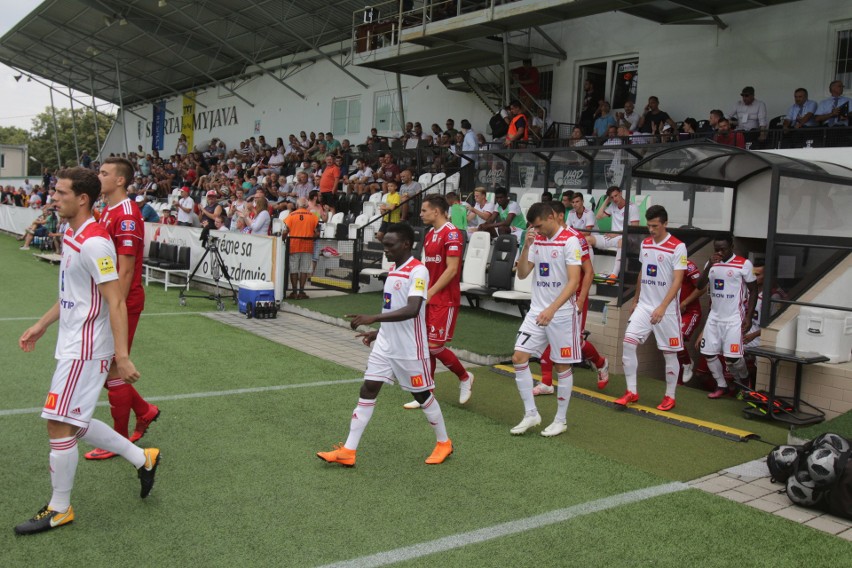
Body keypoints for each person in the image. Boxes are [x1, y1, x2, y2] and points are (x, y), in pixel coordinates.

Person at [14, 167, 160, 536]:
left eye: (62, 193)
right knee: (73, 422)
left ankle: (60, 508)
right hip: (71, 342)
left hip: (87, 348)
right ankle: (142, 457)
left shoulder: (96, 241)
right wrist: (43, 323)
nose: (55, 197)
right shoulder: (72, 232)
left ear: (82, 199)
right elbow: (72, 295)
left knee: (57, 421)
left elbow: (114, 301)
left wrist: (122, 355)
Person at [317, 223, 453, 466]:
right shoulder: (394, 270)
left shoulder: (418, 271)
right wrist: (379, 332)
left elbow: (413, 309)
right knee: (368, 388)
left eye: (390, 246)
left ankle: (444, 443)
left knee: (421, 395)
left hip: (410, 348)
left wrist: (374, 318)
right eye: (384, 245)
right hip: (386, 345)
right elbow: (393, 308)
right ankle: (348, 451)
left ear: (406, 244)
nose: (386, 250)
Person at [85, 157, 160, 461]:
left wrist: (113, 306)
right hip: (110, 301)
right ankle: (144, 410)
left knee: (113, 369)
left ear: (119, 180)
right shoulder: (107, 211)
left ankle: (116, 441)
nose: (98, 176)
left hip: (122, 302)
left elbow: (126, 272)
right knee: (107, 370)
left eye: (103, 173)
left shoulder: (127, 214)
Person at [509, 202, 583, 436]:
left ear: (552, 216)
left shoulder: (571, 240)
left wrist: (552, 309)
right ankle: (531, 414)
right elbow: (522, 273)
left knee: (562, 366)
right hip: (536, 311)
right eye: (534, 227)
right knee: (519, 357)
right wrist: (525, 246)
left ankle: (560, 420)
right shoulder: (536, 239)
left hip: (560, 314)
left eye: (539, 226)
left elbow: (574, 282)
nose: (537, 230)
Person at [401, 195, 473, 410]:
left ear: (437, 211)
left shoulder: (452, 233)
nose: (421, 214)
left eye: (424, 210)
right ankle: (426, 395)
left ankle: (464, 376)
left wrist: (431, 291)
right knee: (425, 347)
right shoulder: (431, 233)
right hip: (429, 296)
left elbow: (452, 269)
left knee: (434, 346)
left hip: (445, 299)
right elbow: (426, 267)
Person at [614, 205, 686, 412]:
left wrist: (663, 307)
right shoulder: (646, 243)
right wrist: (636, 300)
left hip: (667, 310)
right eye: (649, 226)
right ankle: (632, 391)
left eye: (655, 226)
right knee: (628, 343)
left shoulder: (677, 246)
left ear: (665, 223)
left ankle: (670, 396)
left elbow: (678, 280)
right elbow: (642, 273)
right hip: (644, 306)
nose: (651, 230)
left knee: (669, 353)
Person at [533, 200, 608, 396]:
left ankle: (601, 363)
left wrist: (581, 300)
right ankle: (547, 382)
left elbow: (589, 272)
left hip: (572, 301)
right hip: (551, 299)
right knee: (547, 337)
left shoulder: (576, 239)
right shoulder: (544, 237)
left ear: (558, 216)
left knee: (577, 341)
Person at [695, 234, 758, 399]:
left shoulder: (744, 264)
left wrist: (749, 317)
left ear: (731, 247)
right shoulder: (712, 263)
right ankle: (722, 385)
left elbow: (753, 290)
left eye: (723, 249)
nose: (720, 252)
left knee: (733, 357)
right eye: (717, 249)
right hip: (714, 317)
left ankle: (745, 382)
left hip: (734, 318)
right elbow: (699, 285)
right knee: (708, 353)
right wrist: (709, 266)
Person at [589, 185, 639, 283]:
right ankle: (590, 272)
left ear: (621, 193)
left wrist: (616, 234)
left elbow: (635, 228)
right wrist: (607, 201)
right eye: (612, 197)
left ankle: (614, 275)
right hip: (612, 237)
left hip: (626, 238)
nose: (614, 199)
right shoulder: (612, 205)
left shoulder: (632, 207)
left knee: (621, 241)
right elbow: (598, 216)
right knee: (587, 239)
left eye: (616, 196)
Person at [283, 197, 319, 299]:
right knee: (304, 269)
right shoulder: (313, 216)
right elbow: (317, 233)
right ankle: (301, 292)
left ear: (297, 205)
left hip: (293, 246)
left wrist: (282, 239)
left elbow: (285, 231)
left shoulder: (291, 215)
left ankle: (294, 292)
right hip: (307, 246)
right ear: (307, 205)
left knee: (293, 269)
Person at [676, 258, 706, 384]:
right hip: (673, 312)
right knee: (670, 346)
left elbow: (703, 287)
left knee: (678, 338)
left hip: (690, 311)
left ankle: (687, 363)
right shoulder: (665, 263)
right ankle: (677, 381)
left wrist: (685, 302)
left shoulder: (688, 265)